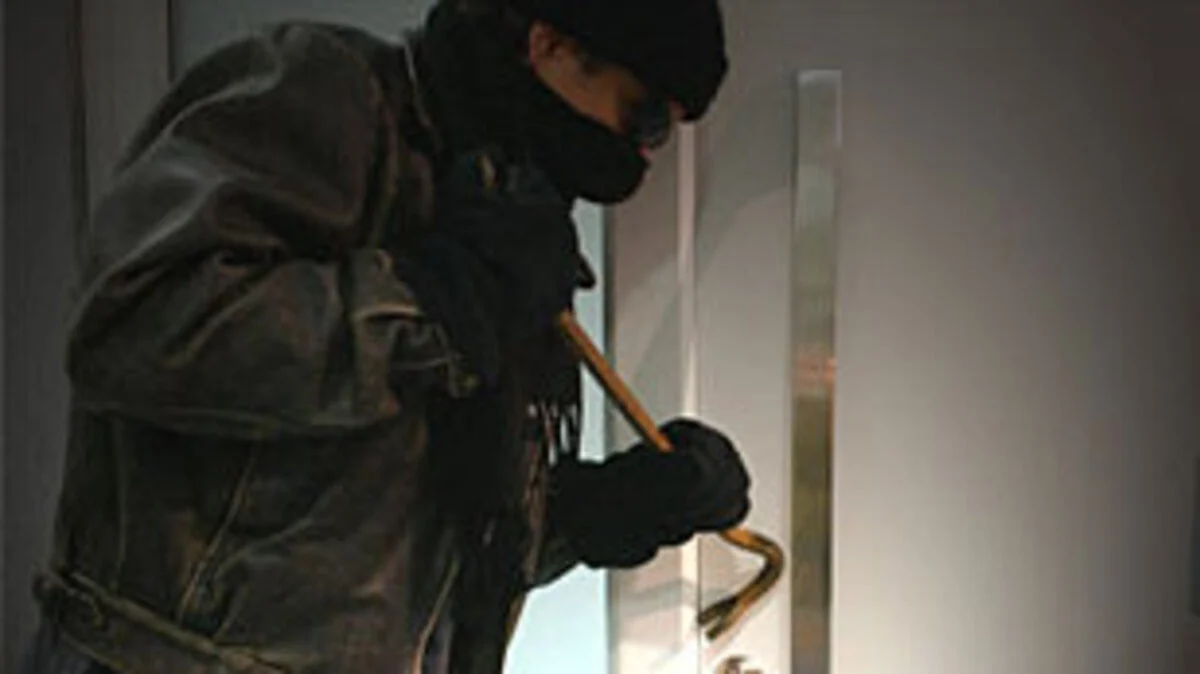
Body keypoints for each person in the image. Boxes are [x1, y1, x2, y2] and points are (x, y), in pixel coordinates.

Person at [24, 0, 751, 672]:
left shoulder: (513, 208)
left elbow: (396, 538)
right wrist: (433, 302)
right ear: (550, 44)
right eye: (644, 118)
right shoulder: (327, 94)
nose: (645, 157)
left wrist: (597, 513)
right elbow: (134, 328)